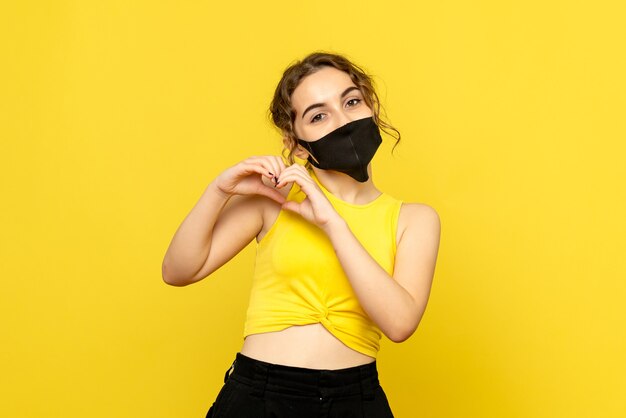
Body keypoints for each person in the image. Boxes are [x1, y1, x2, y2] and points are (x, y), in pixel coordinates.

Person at [161, 51, 441, 417]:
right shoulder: (273, 199)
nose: (342, 121)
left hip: (354, 401)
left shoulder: (414, 219)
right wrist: (218, 191)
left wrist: (332, 223)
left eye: (352, 102)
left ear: (371, 106)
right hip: (258, 396)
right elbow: (178, 270)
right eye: (319, 115)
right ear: (295, 142)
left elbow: (400, 323)